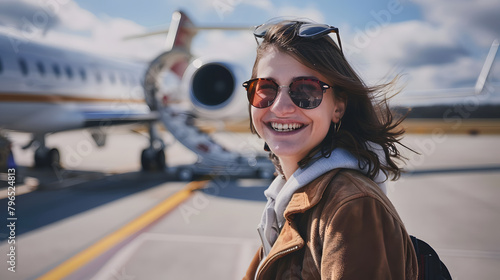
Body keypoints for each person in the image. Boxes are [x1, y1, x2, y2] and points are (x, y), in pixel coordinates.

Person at [241, 18, 418, 279]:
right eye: (265, 89)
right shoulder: (287, 196)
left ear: (338, 107)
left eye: (305, 90)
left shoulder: (353, 207)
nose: (280, 106)